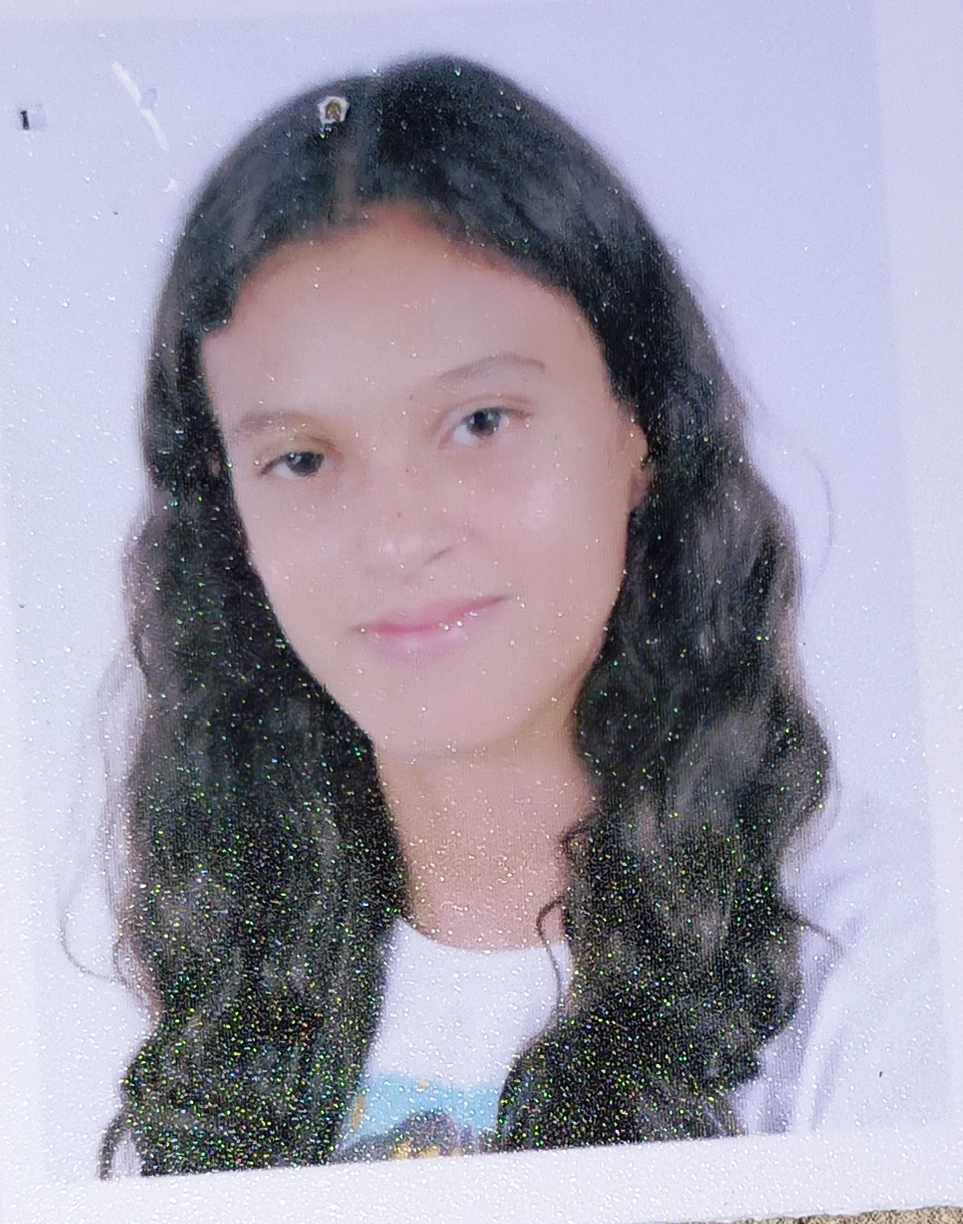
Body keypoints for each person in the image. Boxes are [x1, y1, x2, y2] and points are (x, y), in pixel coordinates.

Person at [96, 52, 944, 1177]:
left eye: (481, 421)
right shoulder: (204, 980)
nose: (397, 536)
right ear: (229, 515)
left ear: (640, 428)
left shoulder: (895, 964)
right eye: (302, 457)